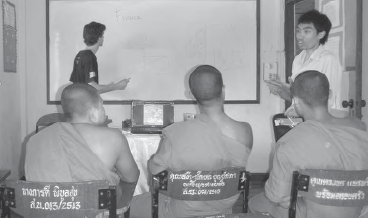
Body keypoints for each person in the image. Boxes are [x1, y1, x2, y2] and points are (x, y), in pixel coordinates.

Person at [129, 65, 253, 218]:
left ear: (191, 94)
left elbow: (156, 174)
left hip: (181, 210)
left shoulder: (177, 132)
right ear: (224, 90)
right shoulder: (245, 131)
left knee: (132, 204)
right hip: (223, 207)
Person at [249, 71, 368, 218]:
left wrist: (293, 195)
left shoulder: (290, 142)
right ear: (329, 94)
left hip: (313, 213)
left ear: (296, 101)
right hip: (359, 210)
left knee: (255, 203)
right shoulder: (361, 129)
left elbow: (278, 197)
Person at [25, 83, 140, 217]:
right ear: (94, 113)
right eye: (102, 106)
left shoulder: (35, 139)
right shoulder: (114, 137)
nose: (104, 110)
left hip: (45, 213)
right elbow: (131, 177)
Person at [266, 10, 344, 117]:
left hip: (322, 123)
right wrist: (285, 93)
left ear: (321, 34)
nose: (300, 36)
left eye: (306, 32)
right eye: (298, 31)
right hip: (301, 119)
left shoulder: (329, 59)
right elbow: (300, 101)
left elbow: (329, 100)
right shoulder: (298, 59)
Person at [70, 21, 131, 94]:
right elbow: (92, 87)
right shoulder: (90, 57)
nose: (103, 37)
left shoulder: (80, 54)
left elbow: (86, 88)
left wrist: (108, 87)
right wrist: (117, 86)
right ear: (98, 37)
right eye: (102, 35)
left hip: (79, 102)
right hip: (85, 104)